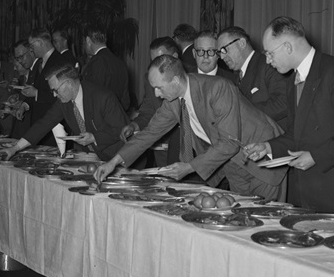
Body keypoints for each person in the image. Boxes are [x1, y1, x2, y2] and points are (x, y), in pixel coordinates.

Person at [95, 55, 287, 200]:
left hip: (263, 160)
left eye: (159, 87)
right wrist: (112, 162)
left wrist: (189, 167)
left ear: (176, 81)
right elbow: (149, 134)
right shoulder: (173, 101)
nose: (156, 93)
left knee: (265, 224)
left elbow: (229, 142)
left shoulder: (217, 88)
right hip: (233, 165)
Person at [245, 16, 334, 222]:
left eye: (270, 53)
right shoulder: (292, 80)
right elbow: (296, 133)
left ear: (288, 46)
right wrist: (269, 147)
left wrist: (315, 156)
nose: (268, 61)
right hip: (307, 192)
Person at [0, 63, 129, 161]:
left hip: (122, 156)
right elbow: (44, 124)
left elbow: (122, 130)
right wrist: (15, 148)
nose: (54, 95)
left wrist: (95, 138)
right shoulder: (64, 102)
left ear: (69, 84)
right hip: (96, 158)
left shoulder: (103, 97)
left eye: (56, 90)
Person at [119, 37, 181, 167]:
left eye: (161, 60)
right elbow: (148, 111)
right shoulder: (150, 79)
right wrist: (134, 125)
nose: (156, 66)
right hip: (161, 151)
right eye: (153, 61)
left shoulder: (191, 78)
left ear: (175, 57)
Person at [217, 26, 288, 126]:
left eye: (224, 49)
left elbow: (283, 103)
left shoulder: (269, 64)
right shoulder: (238, 77)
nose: (222, 57)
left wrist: (241, 114)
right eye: (219, 52)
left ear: (241, 43)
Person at [26, 29, 70, 145]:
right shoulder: (38, 63)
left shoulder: (60, 61)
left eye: (31, 45)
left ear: (40, 42)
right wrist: (25, 104)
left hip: (54, 126)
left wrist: (37, 93)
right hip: (40, 125)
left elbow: (65, 95)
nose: (30, 49)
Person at [81, 24, 131, 111]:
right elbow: (126, 101)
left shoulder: (96, 62)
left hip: (101, 120)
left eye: (83, 42)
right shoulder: (120, 63)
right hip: (119, 118)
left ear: (88, 40)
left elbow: (91, 98)